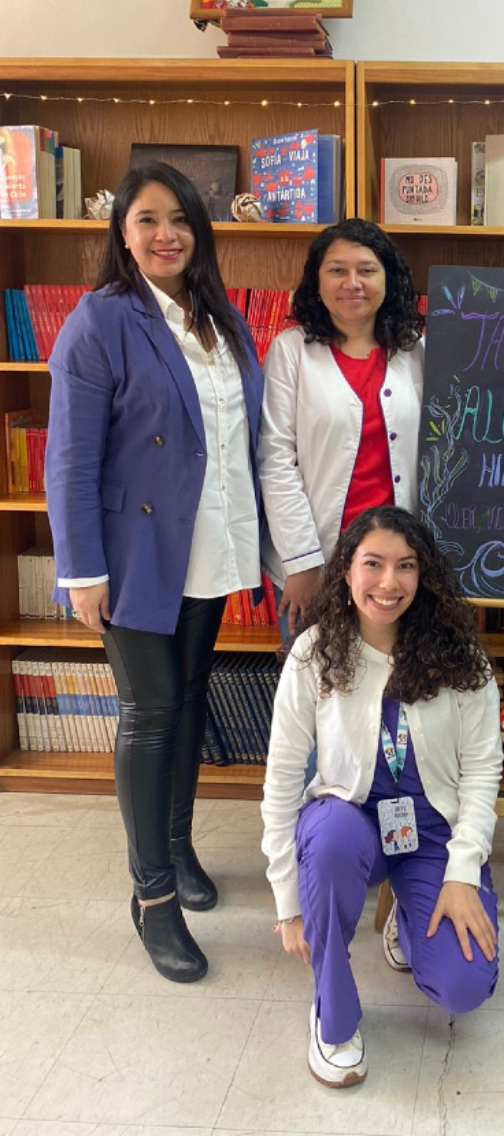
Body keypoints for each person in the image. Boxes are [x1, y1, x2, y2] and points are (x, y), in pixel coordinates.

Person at [46, 161, 264, 983]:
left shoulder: (221, 317)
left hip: (208, 544)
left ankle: (177, 845)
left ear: (199, 231)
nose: (165, 233)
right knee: (151, 712)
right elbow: (69, 457)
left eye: (179, 219)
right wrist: (81, 571)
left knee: (190, 699)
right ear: (123, 233)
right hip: (134, 555)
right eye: (147, 219)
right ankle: (151, 897)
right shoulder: (99, 321)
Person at [261, 505, 502, 1089]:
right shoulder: (314, 653)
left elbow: (482, 773)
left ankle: (407, 917)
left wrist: (463, 874)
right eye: (373, 564)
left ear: (424, 576)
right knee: (333, 838)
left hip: (432, 834)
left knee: (463, 985)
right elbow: (283, 777)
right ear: (346, 571)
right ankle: (333, 1017)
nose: (388, 583)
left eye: (406, 567)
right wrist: (288, 901)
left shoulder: (461, 658)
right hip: (350, 821)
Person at [259, 219, 424, 646]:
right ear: (316, 281)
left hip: (397, 568)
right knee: (317, 694)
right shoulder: (291, 351)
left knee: (394, 694)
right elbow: (275, 459)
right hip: (317, 562)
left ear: (389, 278)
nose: (352, 283)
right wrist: (301, 562)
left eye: (367, 270)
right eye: (337, 270)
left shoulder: (417, 353)